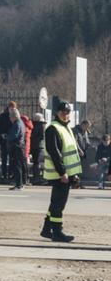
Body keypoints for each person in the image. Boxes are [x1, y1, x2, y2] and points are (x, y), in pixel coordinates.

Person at [40, 101, 79, 242]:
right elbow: (54, 152)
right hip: (59, 174)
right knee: (58, 204)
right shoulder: (53, 128)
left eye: (68, 112)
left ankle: (46, 229)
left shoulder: (66, 127)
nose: (65, 114)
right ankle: (57, 232)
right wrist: (62, 173)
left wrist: (73, 174)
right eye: (63, 112)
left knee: (55, 203)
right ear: (57, 113)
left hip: (65, 173)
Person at [7, 108, 27, 190]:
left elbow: (13, 136)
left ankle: (18, 185)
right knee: (20, 165)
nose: (10, 119)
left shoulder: (17, 124)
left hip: (17, 147)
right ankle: (21, 183)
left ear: (14, 117)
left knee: (17, 166)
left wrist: (6, 137)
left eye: (10, 117)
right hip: (20, 146)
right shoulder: (21, 123)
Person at [0, 101, 16, 179]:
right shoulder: (3, 116)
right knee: (4, 157)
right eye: (11, 107)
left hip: (10, 139)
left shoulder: (14, 115)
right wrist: (0, 135)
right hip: (4, 139)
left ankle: (10, 173)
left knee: (11, 157)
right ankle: (5, 173)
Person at [30, 113, 47, 185]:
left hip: (37, 146)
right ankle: (36, 177)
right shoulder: (40, 125)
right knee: (36, 162)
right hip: (38, 146)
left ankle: (36, 177)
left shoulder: (38, 125)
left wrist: (34, 139)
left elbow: (41, 136)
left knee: (36, 162)